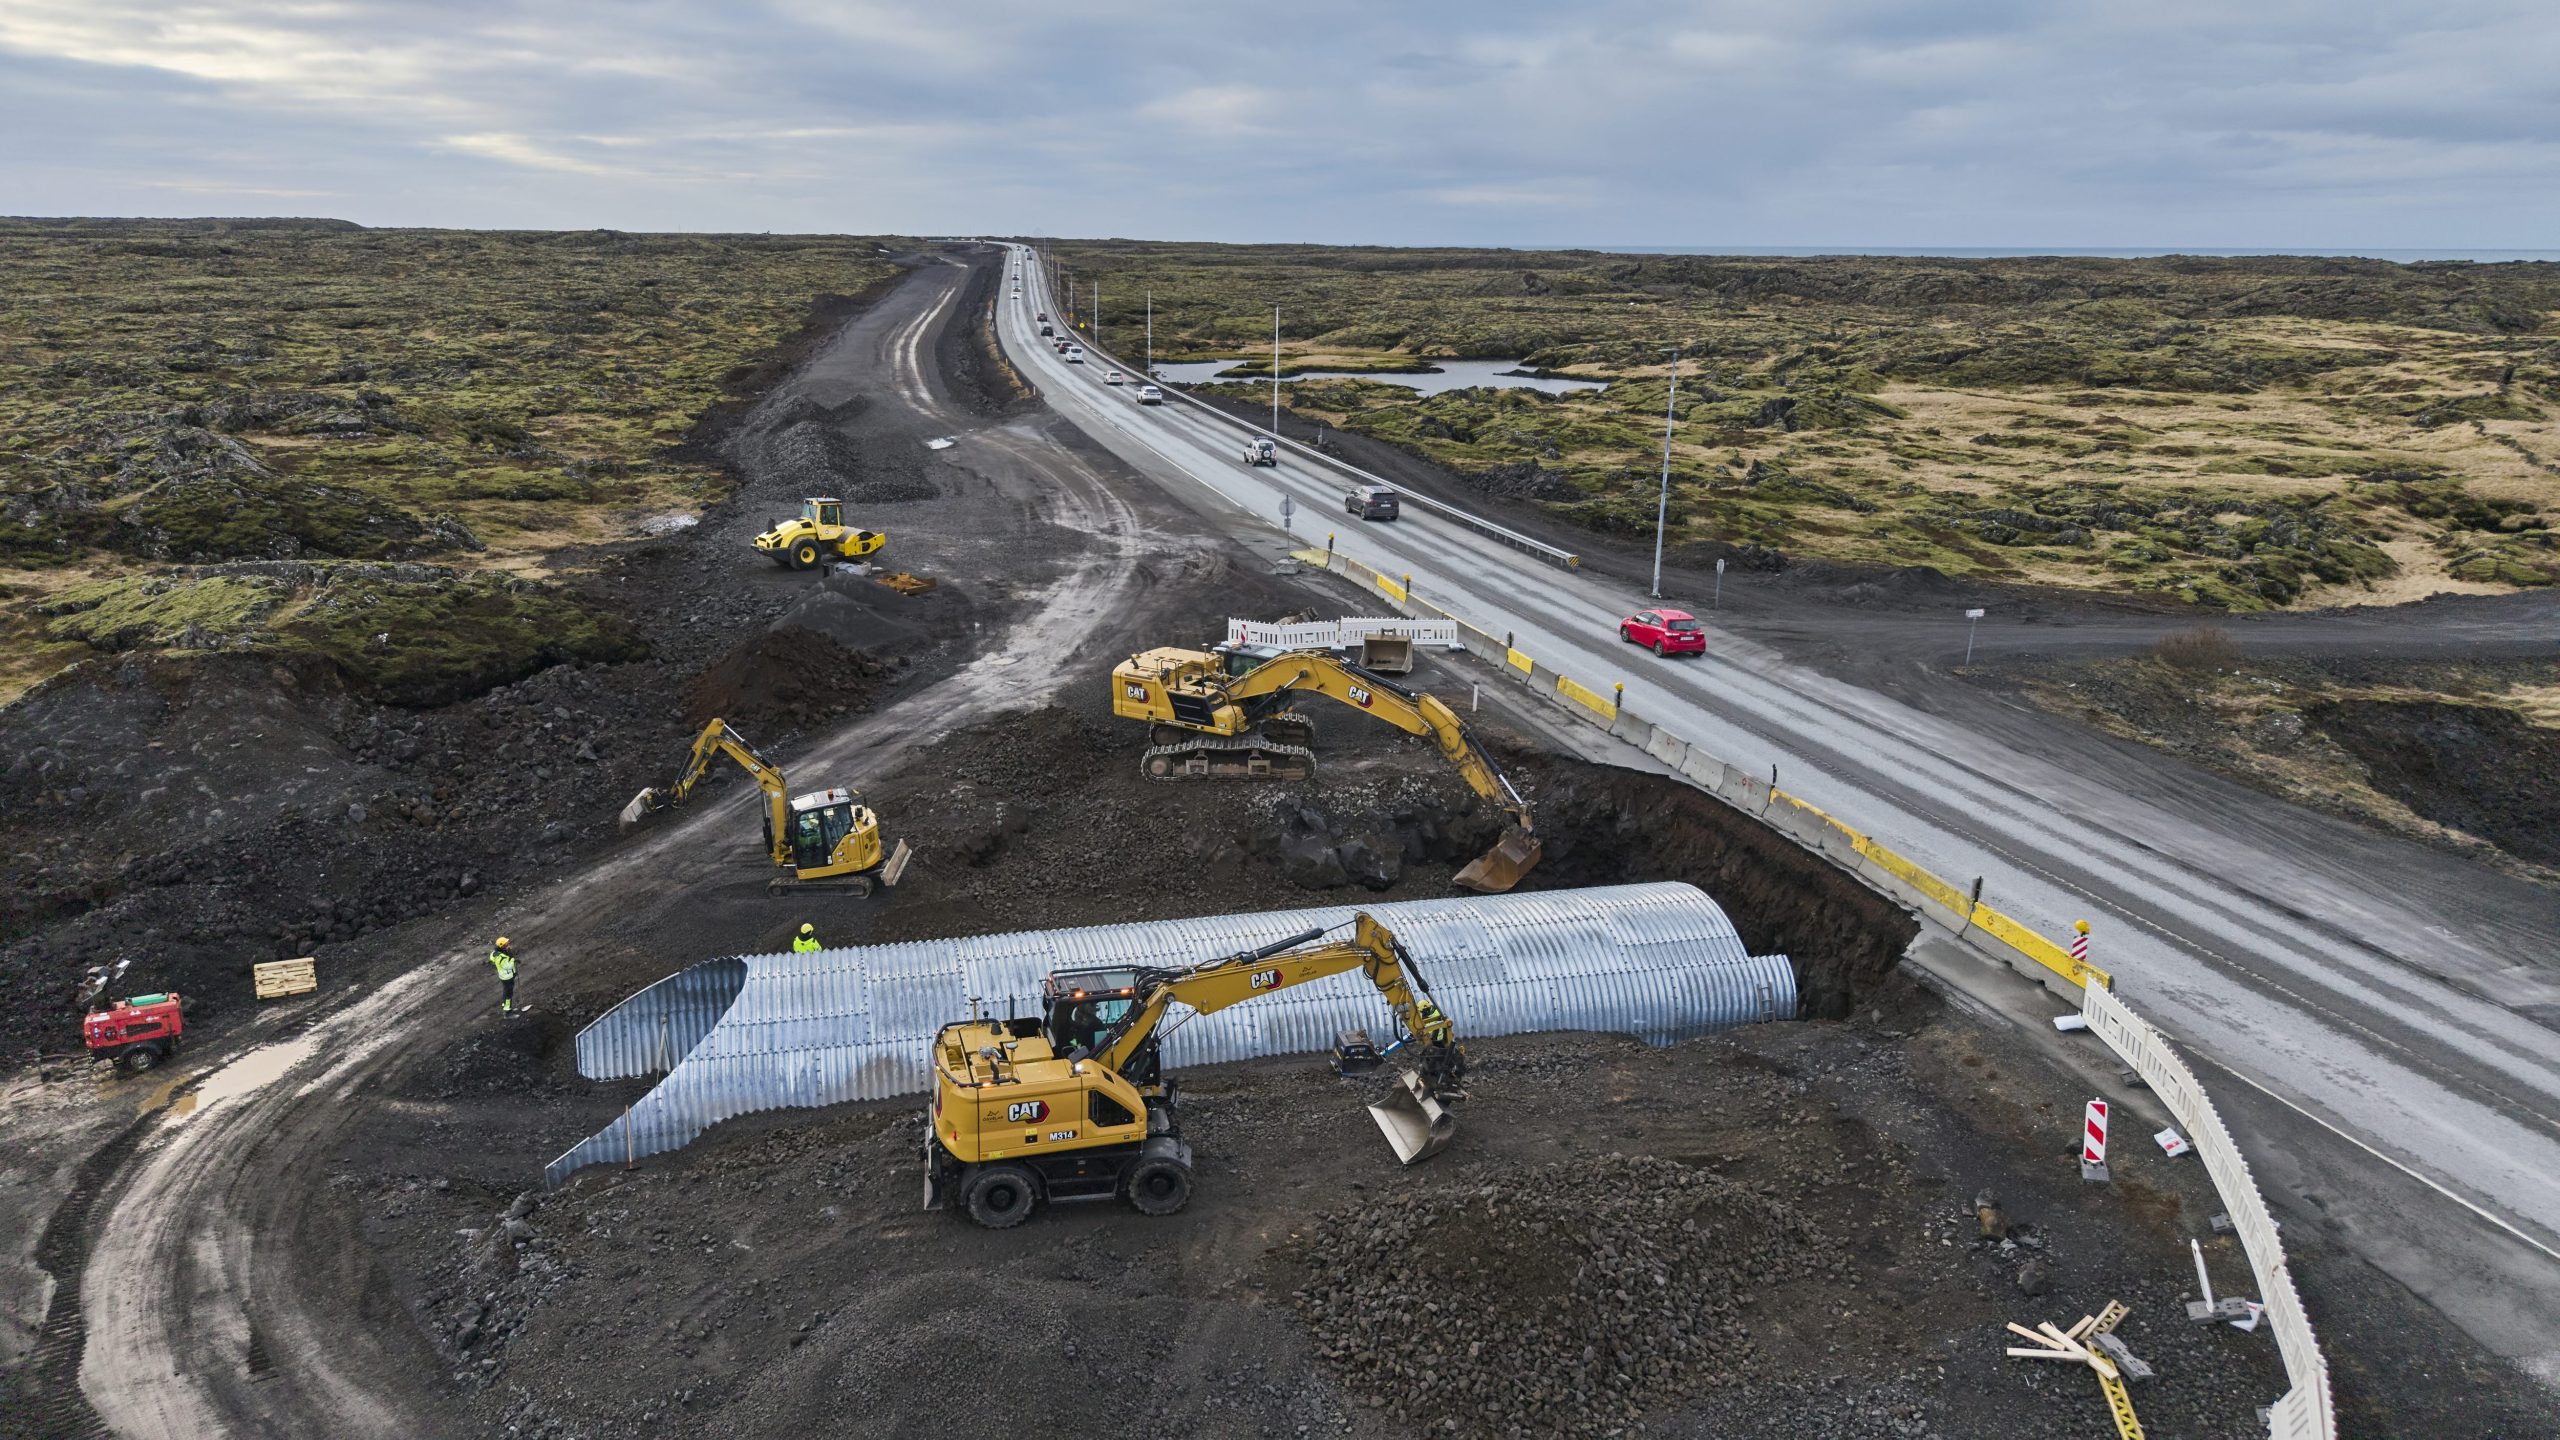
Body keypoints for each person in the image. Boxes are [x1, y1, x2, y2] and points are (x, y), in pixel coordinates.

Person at [488, 937, 518, 1014]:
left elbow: (492, 959)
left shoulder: (495, 953)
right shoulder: (501, 957)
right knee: (508, 994)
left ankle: (506, 1005)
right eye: (506, 944)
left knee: (506, 991)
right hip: (507, 977)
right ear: (502, 946)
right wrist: (512, 959)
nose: (508, 945)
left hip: (503, 976)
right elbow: (508, 966)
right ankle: (507, 1011)